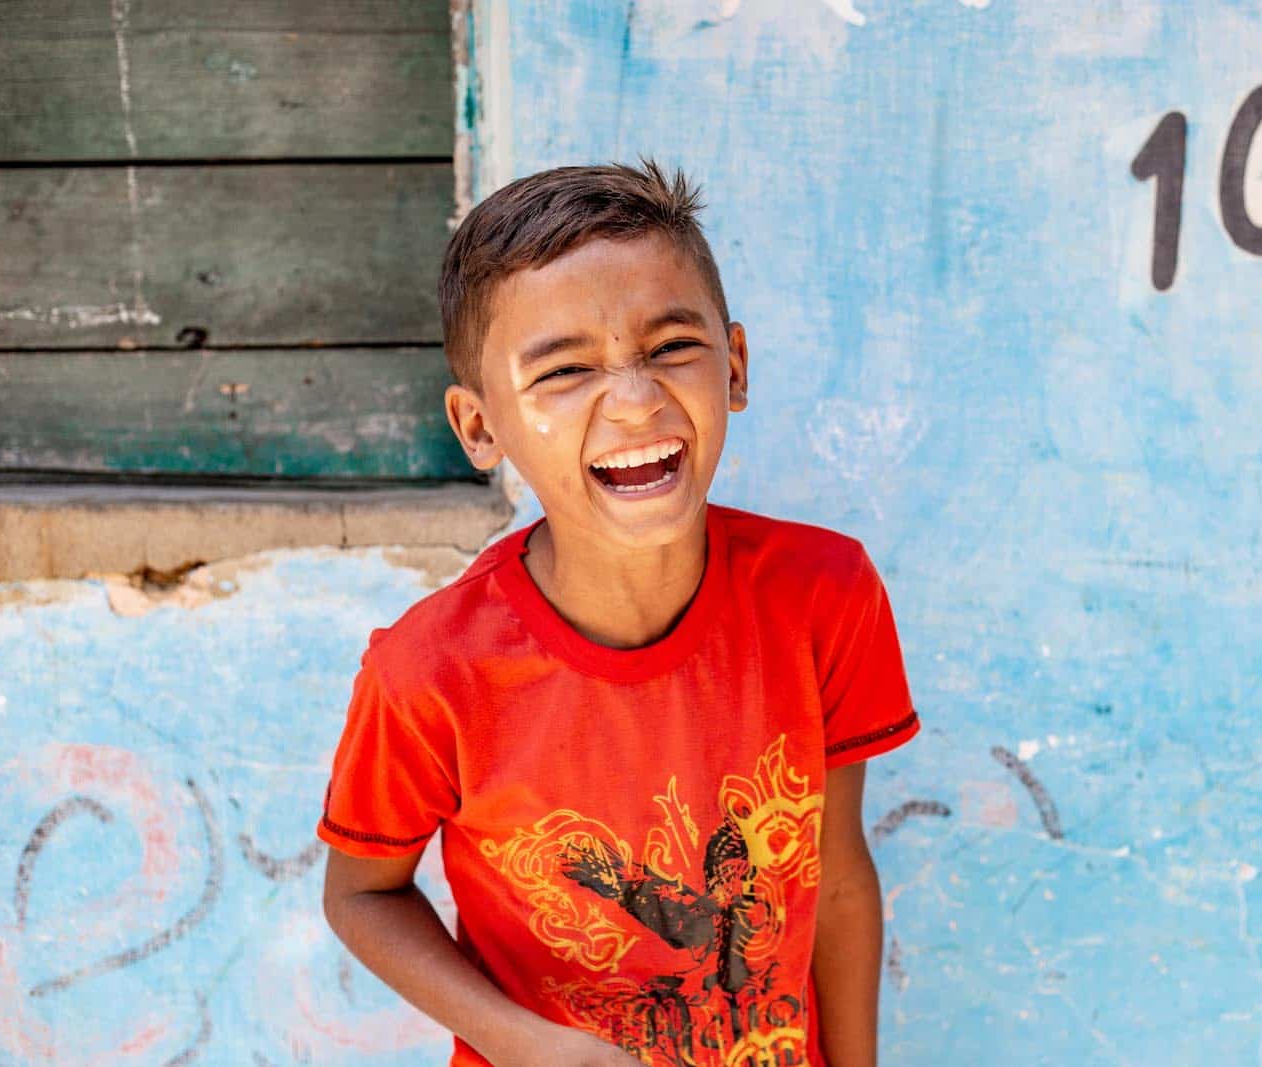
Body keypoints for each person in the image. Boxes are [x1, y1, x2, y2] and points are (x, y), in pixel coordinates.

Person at [316, 159, 920, 1067]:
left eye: (673, 346)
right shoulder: (430, 672)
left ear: (736, 366)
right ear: (479, 427)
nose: (636, 401)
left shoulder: (824, 595)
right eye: (564, 370)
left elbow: (835, 879)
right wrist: (525, 1043)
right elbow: (360, 895)